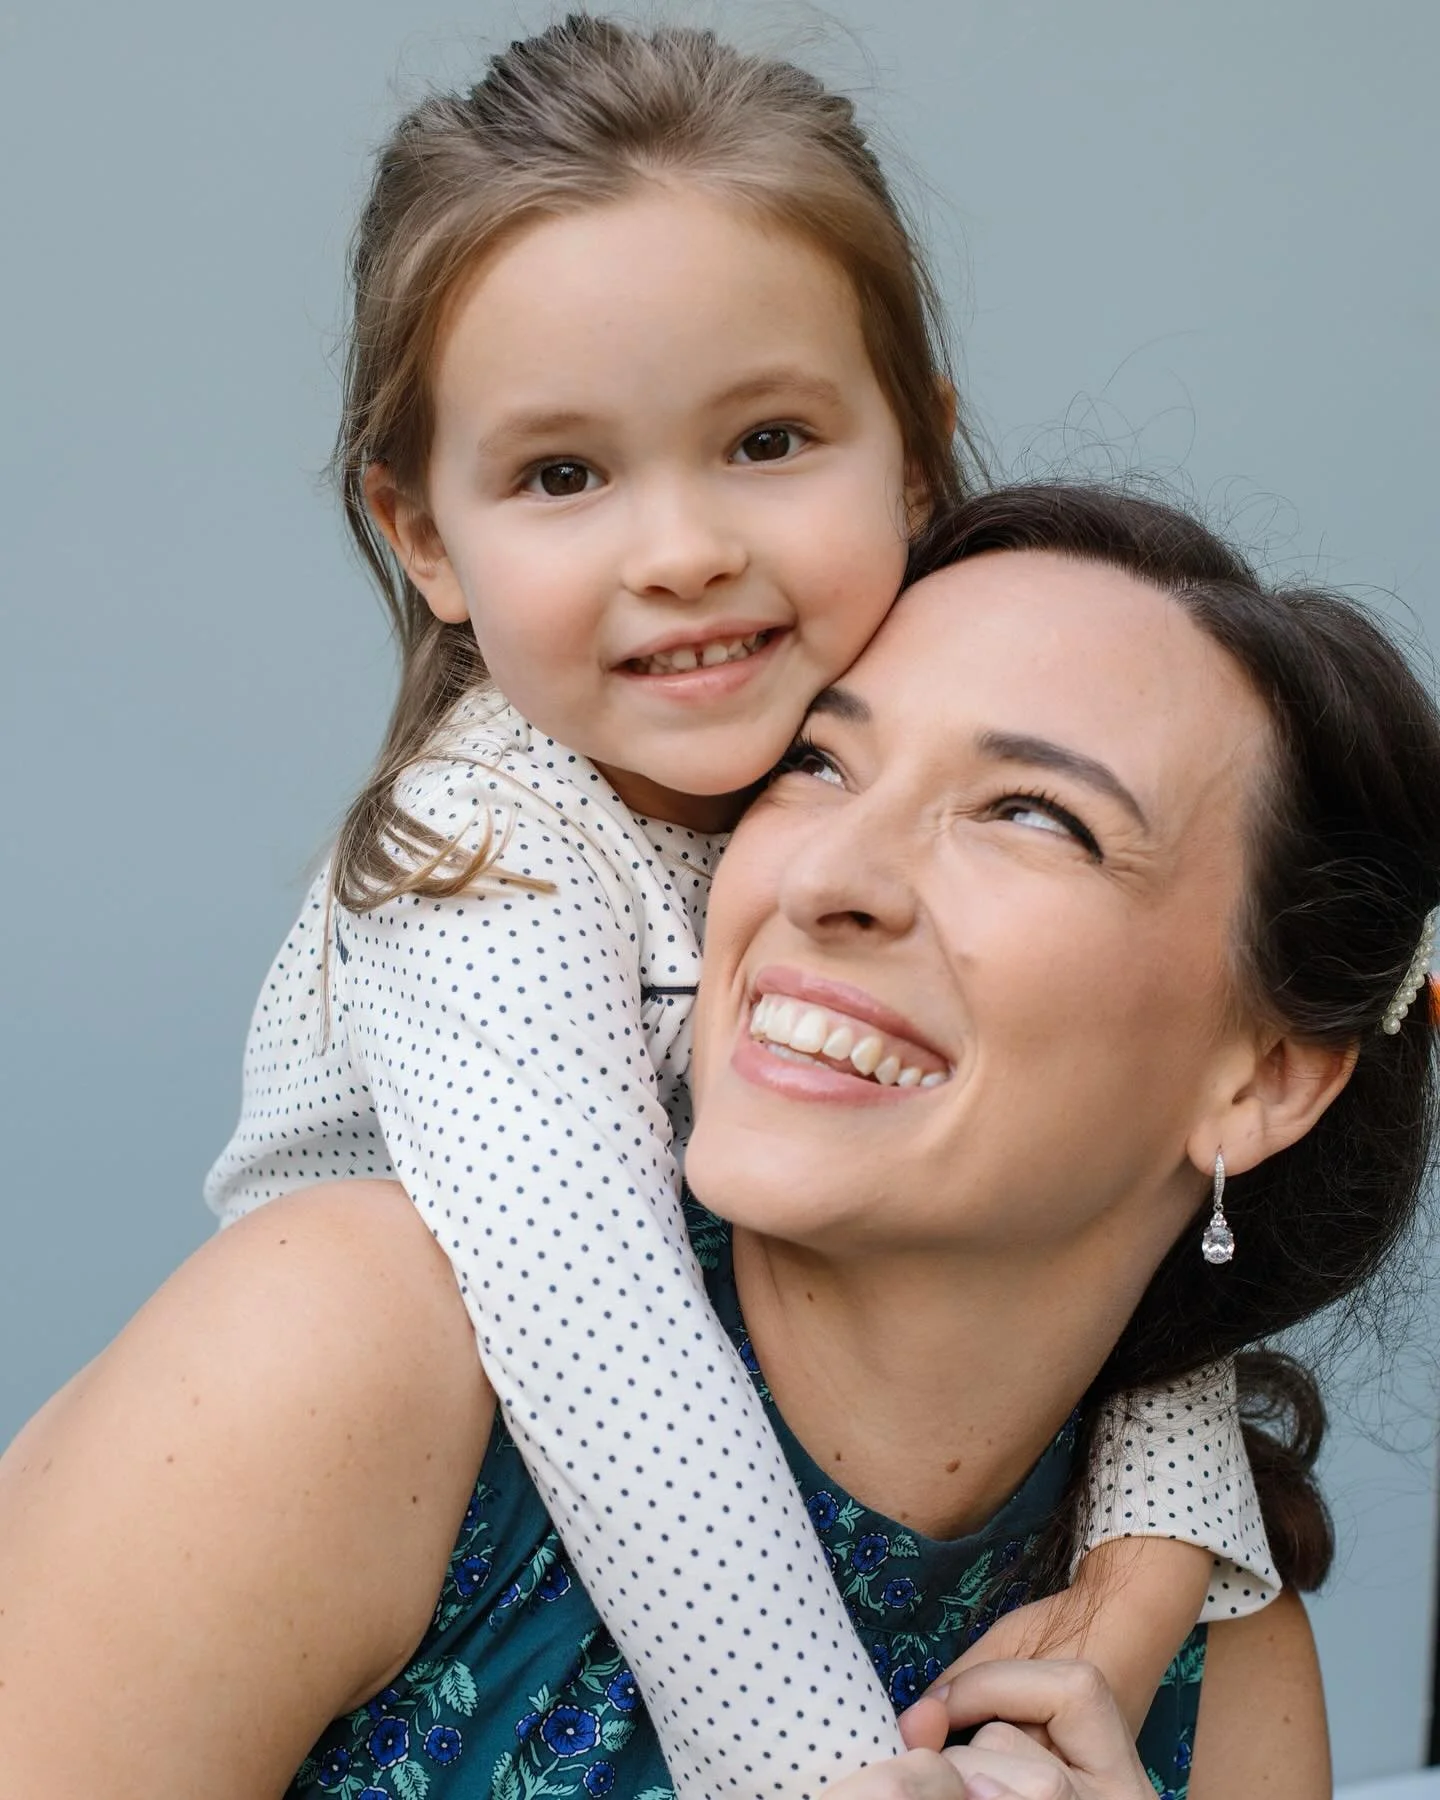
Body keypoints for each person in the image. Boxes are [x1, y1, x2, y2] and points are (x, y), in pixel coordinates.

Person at [195, 23, 1270, 1794]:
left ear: (913, 457)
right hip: (479, 1530)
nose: (683, 550)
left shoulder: (900, 736)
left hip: (838, 1496)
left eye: (767, 439)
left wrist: (1137, 1593)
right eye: (562, 475)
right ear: (424, 535)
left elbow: (1129, 1194)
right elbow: (611, 1366)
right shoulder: (480, 851)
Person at [3, 484, 1433, 1800]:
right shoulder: (346, 1353)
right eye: (818, 761)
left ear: (1265, 1079)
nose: (830, 877)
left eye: (1030, 814)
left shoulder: (1220, 1674)